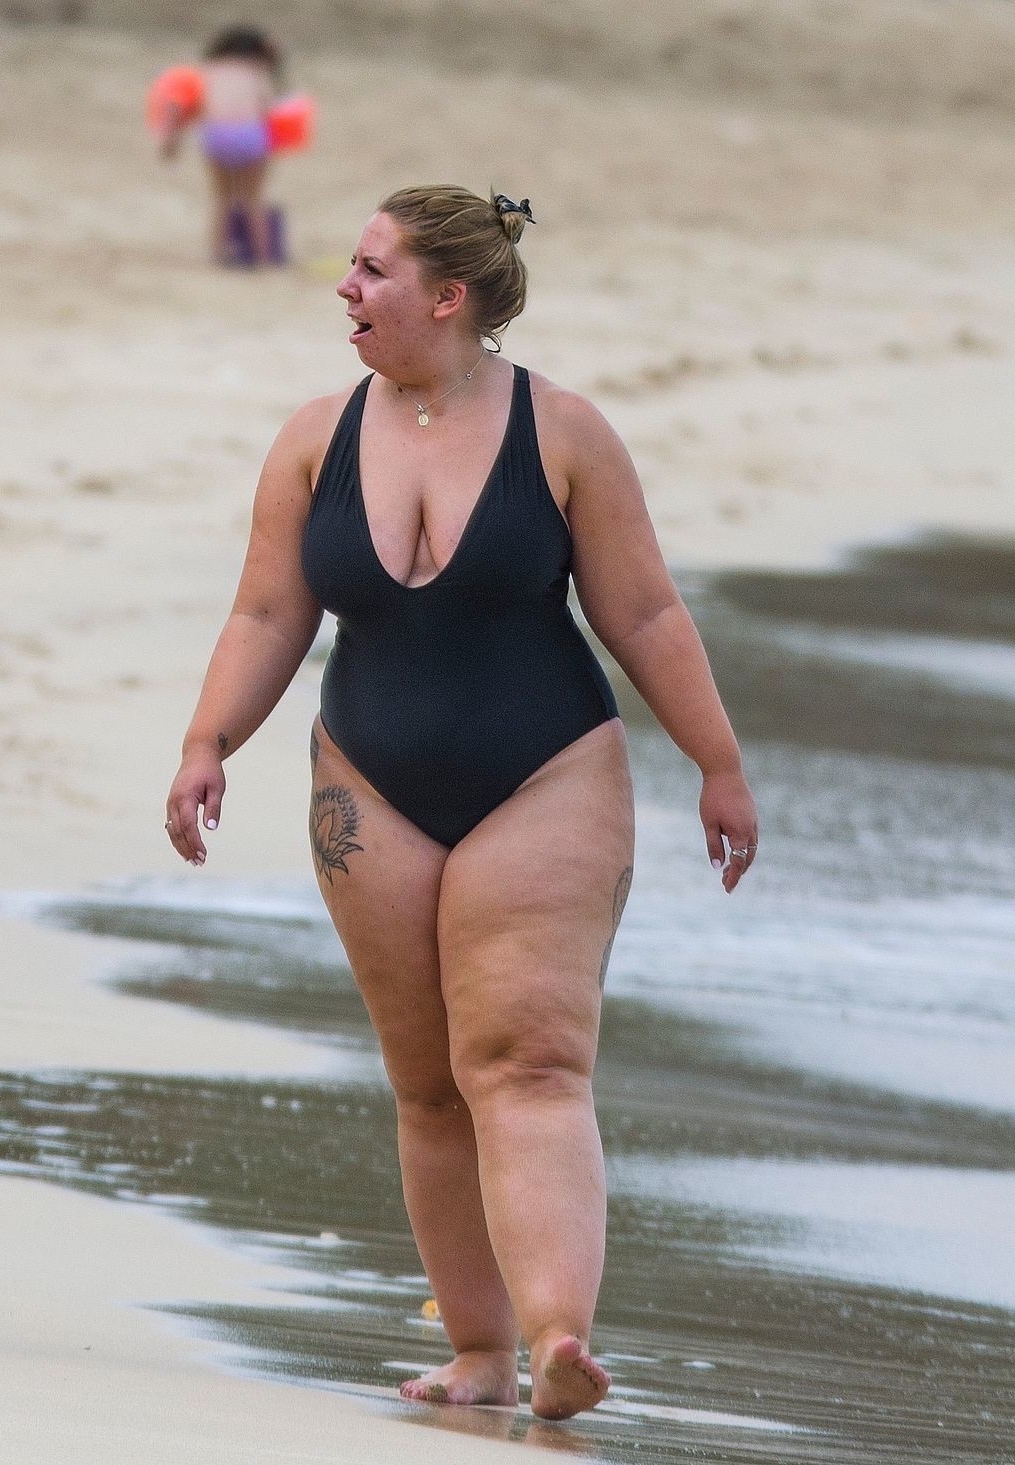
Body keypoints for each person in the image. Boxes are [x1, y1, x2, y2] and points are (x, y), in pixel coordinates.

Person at [165, 186, 758, 1418]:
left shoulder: (565, 433)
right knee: (430, 1081)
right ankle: (479, 1351)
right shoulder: (316, 439)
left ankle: (558, 1337)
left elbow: (644, 612)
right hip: (368, 778)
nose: (345, 287)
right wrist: (207, 741)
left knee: (529, 1061)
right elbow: (268, 612)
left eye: (371, 269)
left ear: (448, 296)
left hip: (545, 770)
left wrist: (718, 761)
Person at [152, 26, 291, 267]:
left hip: (216, 136)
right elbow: (268, 108)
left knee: (221, 198)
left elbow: (190, 106)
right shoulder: (257, 71)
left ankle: (218, 254)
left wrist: (171, 141)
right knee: (253, 199)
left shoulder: (208, 71)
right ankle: (262, 257)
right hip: (249, 134)